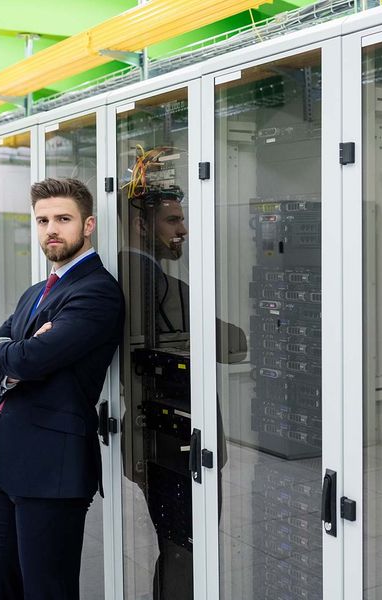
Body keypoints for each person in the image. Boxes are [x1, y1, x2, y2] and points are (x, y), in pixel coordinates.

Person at [0, 177, 124, 600]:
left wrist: (13, 353)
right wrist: (14, 352)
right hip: (7, 464)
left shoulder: (97, 292)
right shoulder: (36, 293)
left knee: (46, 590)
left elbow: (27, 360)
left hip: (52, 469)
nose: (51, 229)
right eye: (42, 220)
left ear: (88, 224)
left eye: (63, 219)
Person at [120, 189, 246, 599]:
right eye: (173, 220)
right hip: (178, 446)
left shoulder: (123, 277)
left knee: (175, 546)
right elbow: (236, 344)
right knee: (185, 550)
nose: (184, 230)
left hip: (155, 438)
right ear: (141, 225)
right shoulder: (157, 285)